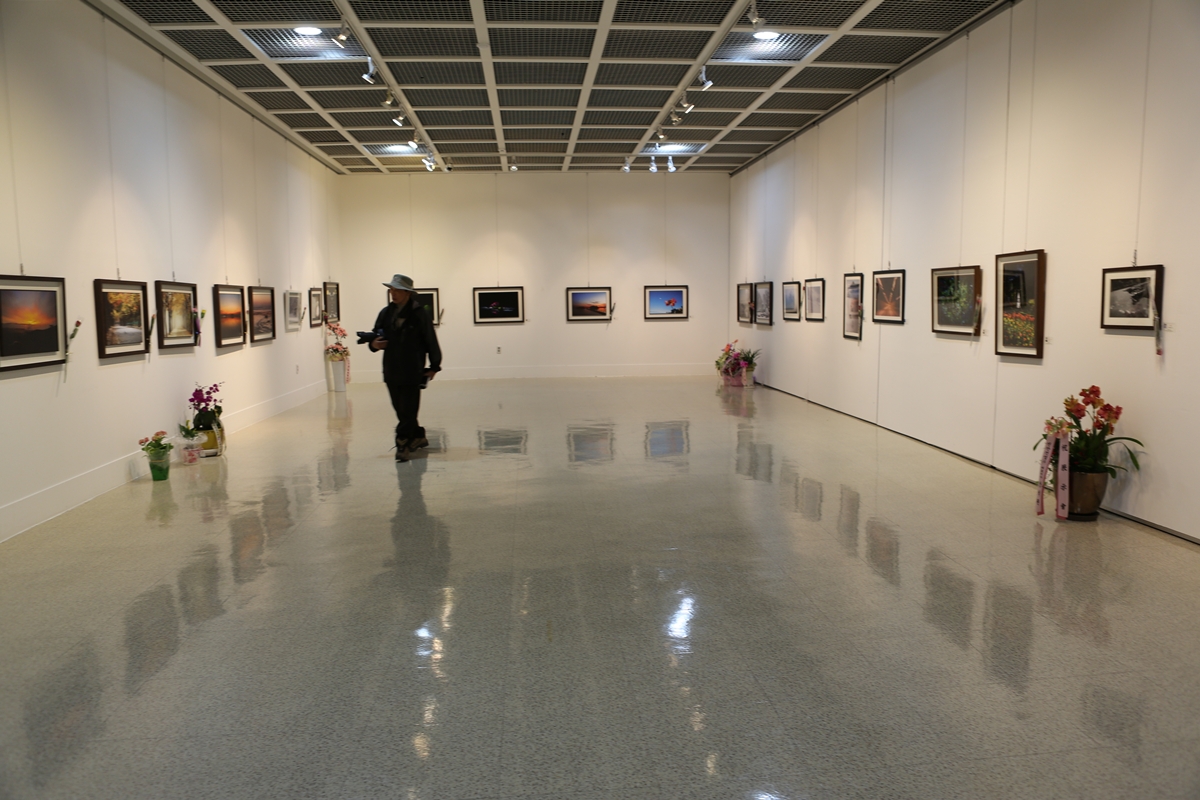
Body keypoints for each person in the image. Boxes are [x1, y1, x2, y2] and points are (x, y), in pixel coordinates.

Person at [369, 274, 442, 461]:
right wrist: (374, 344)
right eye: (391, 290)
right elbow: (375, 336)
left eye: (397, 290)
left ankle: (402, 443)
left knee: (408, 408)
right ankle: (417, 435)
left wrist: (434, 366)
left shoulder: (419, 314)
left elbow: (430, 339)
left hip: (413, 368)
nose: (393, 293)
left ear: (408, 293)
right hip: (391, 368)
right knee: (400, 409)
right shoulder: (385, 313)